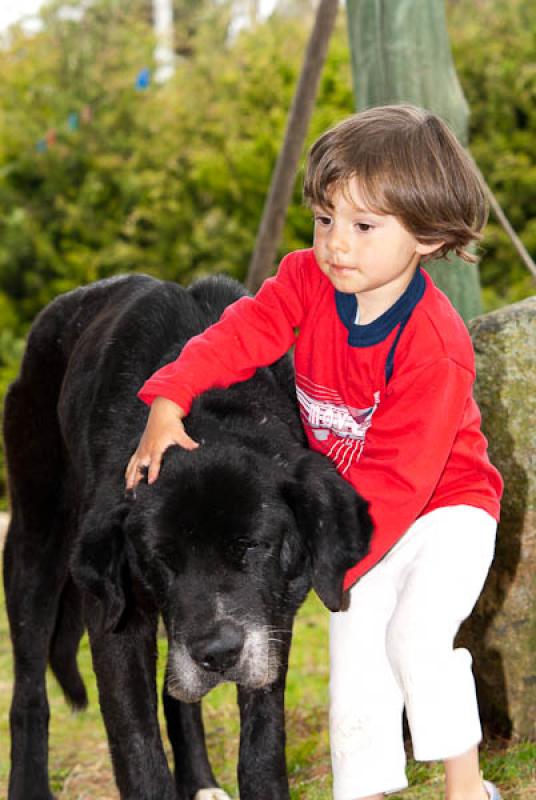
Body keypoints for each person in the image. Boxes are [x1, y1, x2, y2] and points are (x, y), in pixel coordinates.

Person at [125, 104, 503, 800]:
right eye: (324, 219)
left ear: (425, 234)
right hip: (363, 511)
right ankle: (362, 789)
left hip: (444, 510)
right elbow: (241, 332)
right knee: (356, 653)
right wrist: (171, 394)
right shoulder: (308, 280)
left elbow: (399, 480)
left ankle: (465, 786)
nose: (336, 244)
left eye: (363, 226)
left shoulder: (433, 346)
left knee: (414, 639)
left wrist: (324, 561)